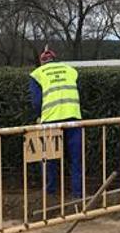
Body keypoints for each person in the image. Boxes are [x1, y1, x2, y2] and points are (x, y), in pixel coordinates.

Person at [29, 46, 83, 199]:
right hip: (73, 118)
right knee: (75, 159)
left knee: (48, 158)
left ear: (41, 62)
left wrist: (39, 116)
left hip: (51, 120)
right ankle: (77, 194)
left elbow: (36, 101)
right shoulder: (70, 70)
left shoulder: (37, 74)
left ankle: (50, 193)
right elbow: (78, 91)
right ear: (55, 59)